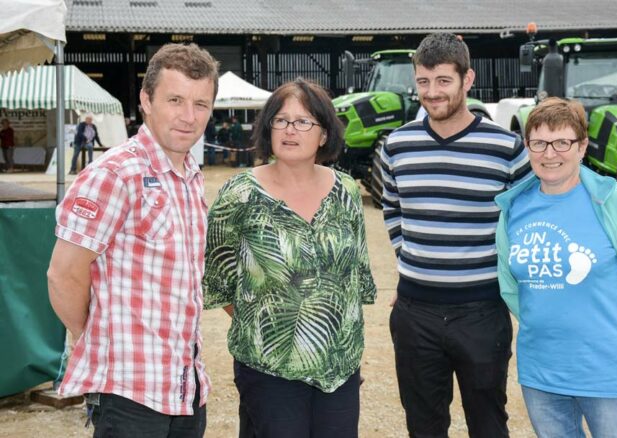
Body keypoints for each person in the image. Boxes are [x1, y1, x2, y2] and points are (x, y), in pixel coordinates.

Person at [47, 42, 219, 437]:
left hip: (185, 387)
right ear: (146, 99)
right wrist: (97, 338)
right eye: (175, 100)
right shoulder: (115, 173)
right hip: (128, 392)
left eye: (201, 104)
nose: (188, 116)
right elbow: (63, 275)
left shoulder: (190, 176)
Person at [495, 97, 617, 437]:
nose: (549, 154)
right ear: (527, 146)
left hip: (607, 372)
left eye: (561, 142)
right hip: (541, 373)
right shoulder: (514, 209)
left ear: (582, 146)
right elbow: (510, 286)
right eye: (539, 143)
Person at [203, 78, 376, 438]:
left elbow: (355, 278)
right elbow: (219, 281)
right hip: (269, 371)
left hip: (339, 372)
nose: (290, 130)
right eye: (280, 120)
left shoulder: (345, 191)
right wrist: (271, 324)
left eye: (303, 122)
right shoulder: (240, 194)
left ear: (324, 134)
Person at [380, 33, 531, 437]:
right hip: (415, 313)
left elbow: (524, 221)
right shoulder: (397, 145)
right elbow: (393, 209)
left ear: (468, 79)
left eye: (443, 80)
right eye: (423, 82)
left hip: (482, 312)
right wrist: (411, 259)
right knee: (424, 426)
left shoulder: (507, 148)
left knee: (488, 423)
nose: (432, 92)